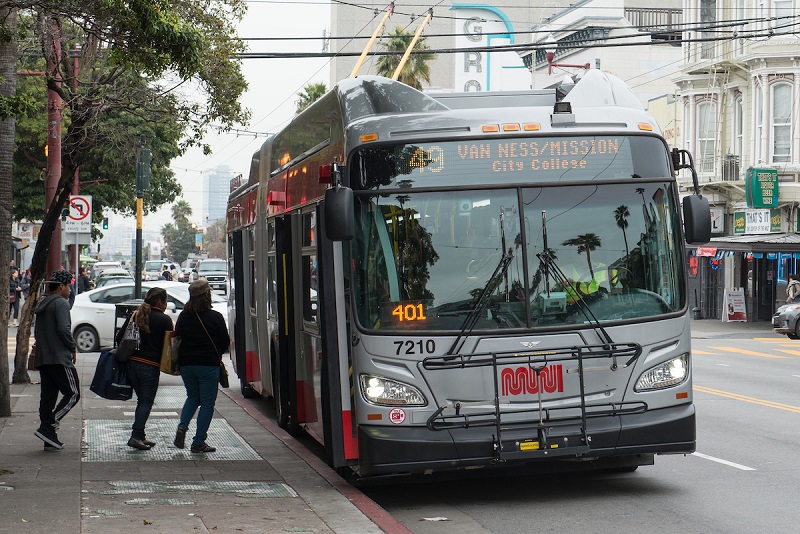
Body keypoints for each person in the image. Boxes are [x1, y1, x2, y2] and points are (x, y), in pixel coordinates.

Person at [173, 279, 230, 453]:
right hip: (208, 366)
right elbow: (225, 342)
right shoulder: (216, 317)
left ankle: (183, 426)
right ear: (207, 295)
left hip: (186, 365)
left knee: (192, 397)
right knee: (207, 403)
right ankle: (198, 442)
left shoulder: (184, 316)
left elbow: (177, 337)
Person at [116, 287, 173, 450]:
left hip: (131, 364)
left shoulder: (135, 315)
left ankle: (140, 435)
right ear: (161, 302)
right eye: (165, 301)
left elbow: (119, 338)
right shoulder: (165, 320)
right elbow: (169, 346)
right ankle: (135, 436)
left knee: (142, 401)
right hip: (150, 367)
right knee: (146, 401)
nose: (166, 305)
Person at [33, 269, 79, 450]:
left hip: (44, 358)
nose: (70, 290)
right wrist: (72, 347)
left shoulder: (44, 302)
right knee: (73, 393)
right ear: (61, 286)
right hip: (59, 357)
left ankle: (48, 439)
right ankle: (49, 425)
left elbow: (38, 333)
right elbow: (63, 329)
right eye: (69, 286)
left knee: (48, 398)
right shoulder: (61, 303)